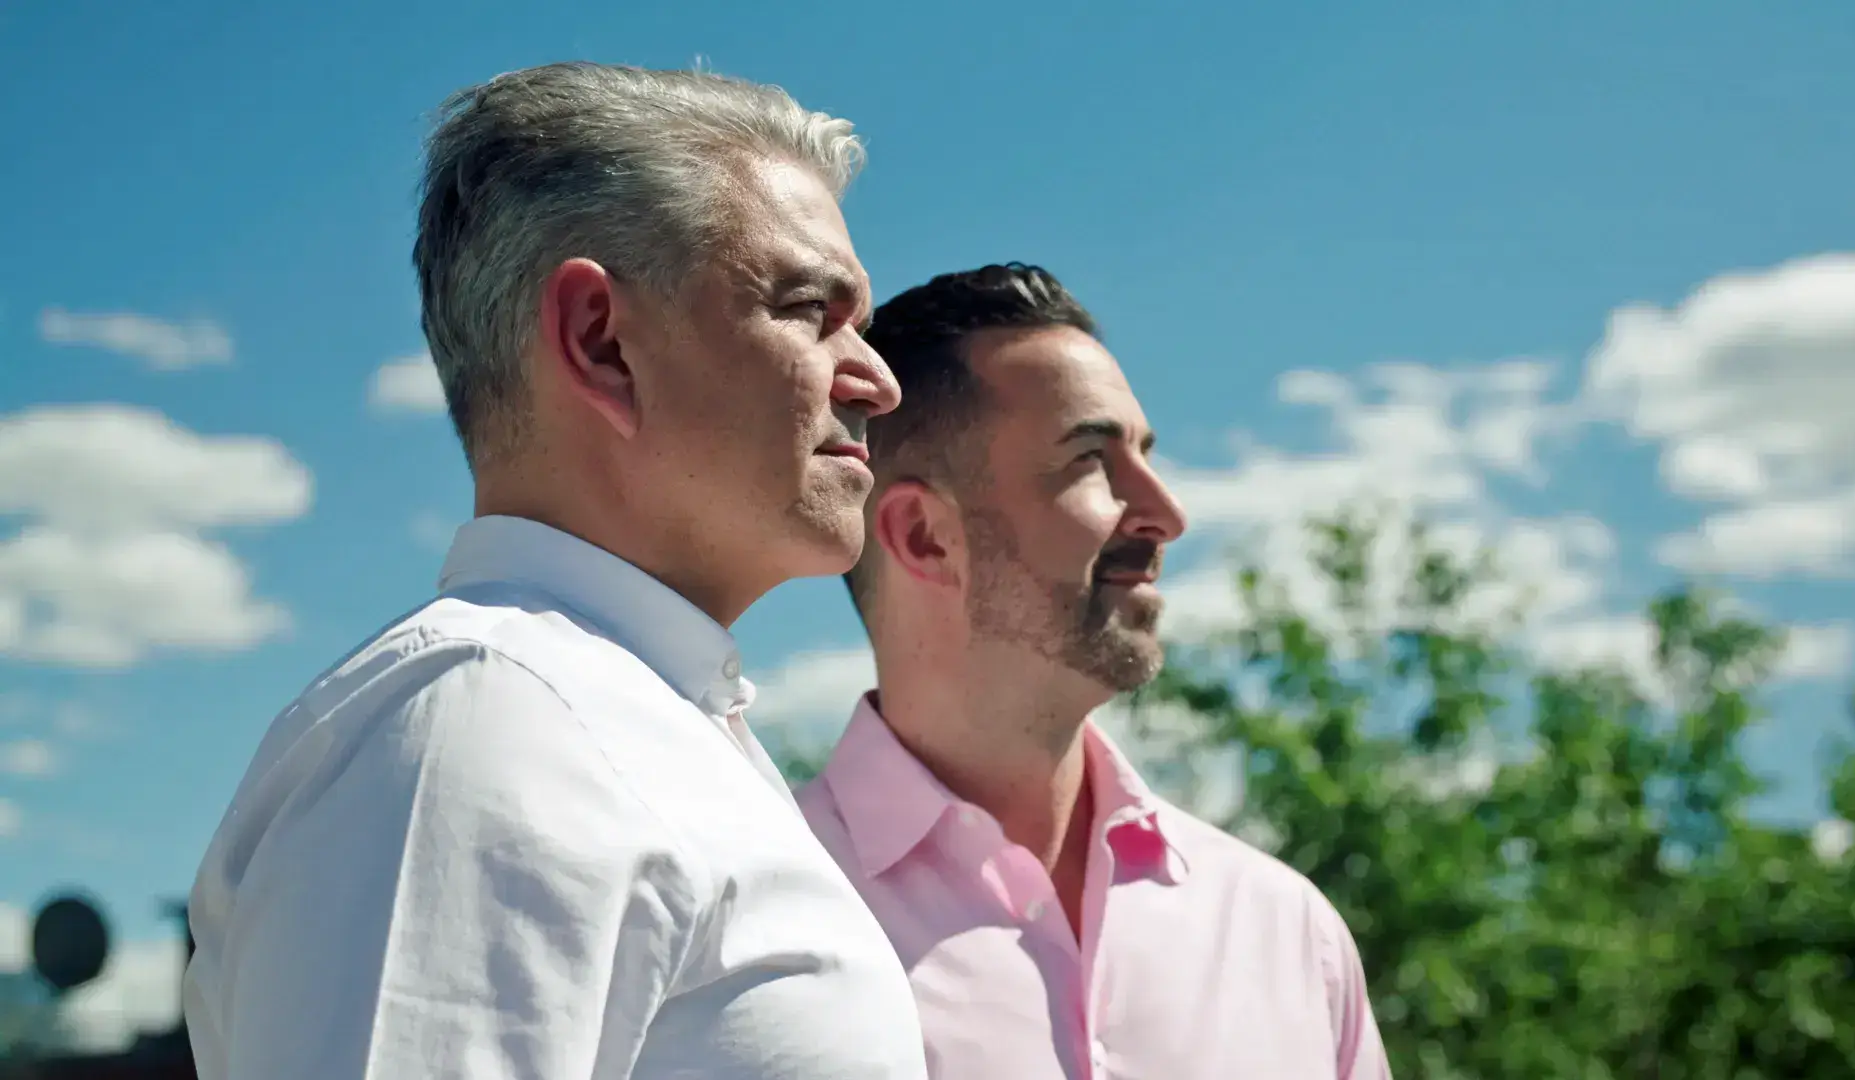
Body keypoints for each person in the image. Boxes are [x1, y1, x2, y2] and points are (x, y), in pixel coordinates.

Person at [183, 62, 928, 1080]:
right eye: (809, 308)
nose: (878, 381)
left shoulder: (609, 723)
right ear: (601, 341)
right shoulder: (486, 727)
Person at [797, 263, 1392, 1078]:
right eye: (1092, 461)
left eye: (1145, 456)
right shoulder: (752, 906)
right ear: (926, 536)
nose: (1166, 514)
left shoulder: (1287, 932)